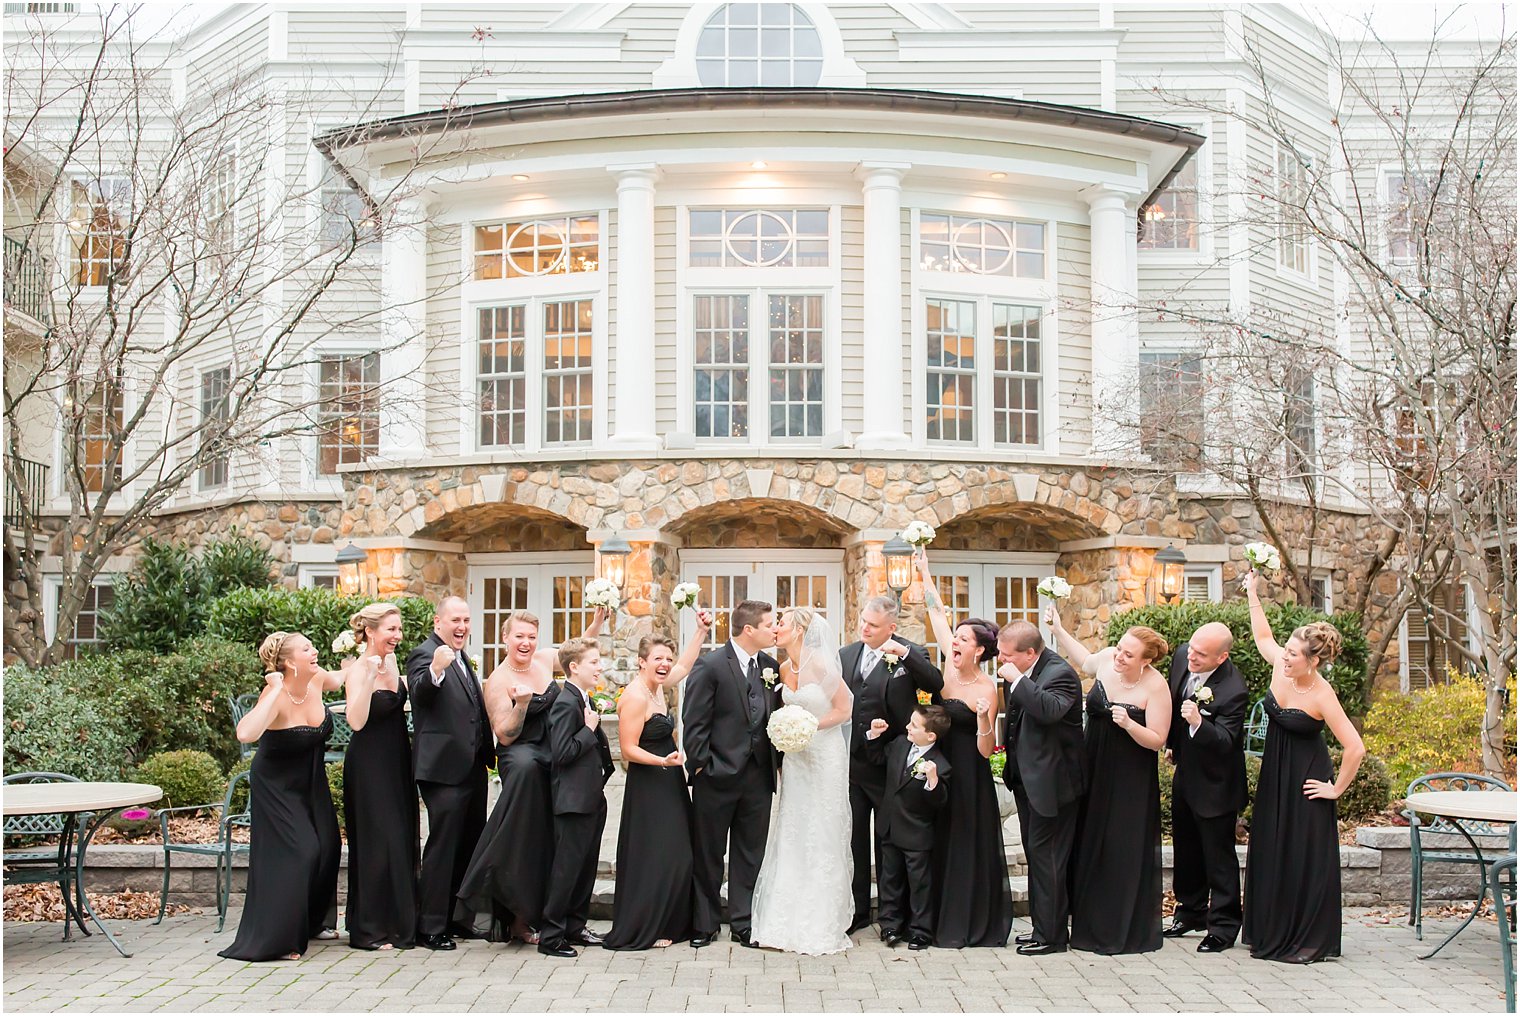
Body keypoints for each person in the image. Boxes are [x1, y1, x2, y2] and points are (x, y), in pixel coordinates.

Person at [456, 606, 606, 945]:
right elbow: (505, 736)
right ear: (505, 638)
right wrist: (521, 705)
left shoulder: (541, 661)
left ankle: (560, 915)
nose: (525, 643)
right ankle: (520, 915)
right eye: (519, 637)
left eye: (531, 637)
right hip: (521, 756)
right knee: (529, 836)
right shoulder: (498, 680)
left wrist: (595, 624)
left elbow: (575, 654)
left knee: (558, 837)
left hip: (552, 750)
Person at [1242, 571, 1365, 963]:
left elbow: (1354, 747)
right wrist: (1252, 594)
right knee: (1273, 847)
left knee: (1301, 856)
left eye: (1294, 654)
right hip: (1276, 775)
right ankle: (1269, 927)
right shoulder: (1282, 666)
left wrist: (1336, 789)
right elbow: (1263, 638)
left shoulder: (1322, 693)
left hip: (1306, 780)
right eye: (1288, 651)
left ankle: (1304, 935)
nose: (1285, 656)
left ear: (1313, 661)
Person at [1045, 611, 1171, 955]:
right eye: (1120, 649)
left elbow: (1158, 739)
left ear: (1146, 661)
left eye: (1129, 655)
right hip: (1093, 764)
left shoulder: (1156, 686)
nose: (1119, 656)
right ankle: (1087, 920)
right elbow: (1084, 659)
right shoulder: (1106, 661)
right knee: (1089, 840)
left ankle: (1121, 925)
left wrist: (1130, 724)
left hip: (1130, 774)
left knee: (1121, 845)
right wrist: (1059, 628)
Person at [219, 632, 343, 962]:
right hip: (277, 786)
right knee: (303, 851)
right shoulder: (274, 694)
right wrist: (274, 690)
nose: (314, 650)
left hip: (311, 783)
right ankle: (281, 937)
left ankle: (312, 922)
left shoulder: (316, 679)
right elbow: (245, 733)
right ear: (289, 662)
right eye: (306, 648)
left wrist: (371, 653)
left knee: (329, 847)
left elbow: (344, 677)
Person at [916, 551, 1013, 949]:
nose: (954, 641)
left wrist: (986, 720)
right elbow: (937, 614)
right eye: (954, 637)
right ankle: (934, 919)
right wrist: (924, 572)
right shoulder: (949, 666)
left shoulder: (987, 688)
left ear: (978, 650)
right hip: (940, 765)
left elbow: (987, 750)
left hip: (970, 774)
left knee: (966, 845)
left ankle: (970, 922)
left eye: (962, 640)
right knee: (938, 841)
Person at [751, 607, 855, 955]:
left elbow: (845, 707)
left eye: (781, 623)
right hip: (795, 760)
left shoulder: (822, 665)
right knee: (793, 830)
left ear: (800, 629)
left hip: (824, 755)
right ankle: (782, 920)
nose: (776, 628)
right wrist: (787, 735)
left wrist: (810, 726)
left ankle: (820, 921)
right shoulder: (781, 669)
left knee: (820, 831)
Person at [604, 615, 711, 951]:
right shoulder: (635, 696)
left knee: (677, 853)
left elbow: (684, 666)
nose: (665, 664)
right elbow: (627, 750)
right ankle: (646, 926)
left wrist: (701, 632)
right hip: (650, 784)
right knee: (657, 854)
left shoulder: (658, 687)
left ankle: (668, 921)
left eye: (667, 658)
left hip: (669, 782)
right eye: (657, 659)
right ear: (641, 662)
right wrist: (663, 760)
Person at [840, 595, 944, 933]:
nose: (864, 629)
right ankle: (857, 913)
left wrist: (905, 655)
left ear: (891, 628)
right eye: (863, 622)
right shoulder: (846, 655)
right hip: (855, 765)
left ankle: (891, 918)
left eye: (872, 625)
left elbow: (933, 683)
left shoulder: (910, 652)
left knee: (889, 842)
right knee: (855, 840)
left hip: (894, 767)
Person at [683, 599, 780, 949]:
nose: (776, 629)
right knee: (708, 853)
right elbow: (694, 722)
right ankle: (705, 923)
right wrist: (702, 766)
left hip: (758, 778)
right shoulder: (710, 665)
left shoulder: (771, 666)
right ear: (749, 629)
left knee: (749, 853)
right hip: (716, 776)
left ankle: (744, 923)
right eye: (771, 624)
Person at [995, 616, 1084, 955]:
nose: (1002, 660)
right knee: (1036, 856)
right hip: (1026, 781)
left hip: (1055, 786)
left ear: (1030, 653)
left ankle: (1053, 937)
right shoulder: (1018, 673)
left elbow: (1048, 711)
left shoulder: (1060, 675)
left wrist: (1017, 680)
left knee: (1049, 859)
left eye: (1007, 655)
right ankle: (1040, 927)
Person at [406, 596, 491, 951]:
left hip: (472, 766)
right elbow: (421, 693)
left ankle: (459, 919)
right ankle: (430, 927)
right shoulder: (426, 654)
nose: (462, 626)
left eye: (467, 620)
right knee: (442, 846)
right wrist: (436, 671)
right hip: (442, 769)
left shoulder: (461, 656)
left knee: (469, 843)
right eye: (455, 619)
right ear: (438, 621)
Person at [1163, 622, 1249, 953]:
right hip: (1186, 773)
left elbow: (1227, 741)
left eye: (1201, 654)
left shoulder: (1233, 689)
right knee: (1186, 848)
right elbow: (1174, 699)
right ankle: (1190, 911)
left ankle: (1224, 926)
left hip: (1217, 782)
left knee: (1218, 856)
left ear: (1222, 656)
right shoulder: (1184, 655)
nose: (1191, 656)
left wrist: (1199, 723)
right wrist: (1173, 742)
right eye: (1192, 648)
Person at [341, 603, 418, 951]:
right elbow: (355, 721)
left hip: (397, 758)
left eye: (399, 629)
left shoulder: (393, 662)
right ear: (371, 632)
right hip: (369, 763)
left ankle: (398, 924)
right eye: (391, 629)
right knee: (376, 841)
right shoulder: (358, 669)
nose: (397, 636)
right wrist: (370, 675)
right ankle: (369, 929)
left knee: (399, 837)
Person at [538, 638, 616, 958]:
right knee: (567, 870)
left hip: (590, 796)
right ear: (574, 667)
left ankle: (575, 926)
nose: (600, 667)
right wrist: (588, 729)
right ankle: (552, 936)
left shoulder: (583, 698)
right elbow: (562, 752)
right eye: (594, 662)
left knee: (585, 868)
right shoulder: (565, 702)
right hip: (572, 800)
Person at [875, 704, 952, 951]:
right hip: (889, 825)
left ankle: (920, 930)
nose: (908, 727)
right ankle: (889, 924)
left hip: (917, 833)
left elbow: (939, 802)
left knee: (919, 883)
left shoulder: (940, 764)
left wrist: (932, 781)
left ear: (931, 736)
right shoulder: (899, 744)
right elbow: (877, 758)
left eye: (914, 725)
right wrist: (873, 737)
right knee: (889, 879)